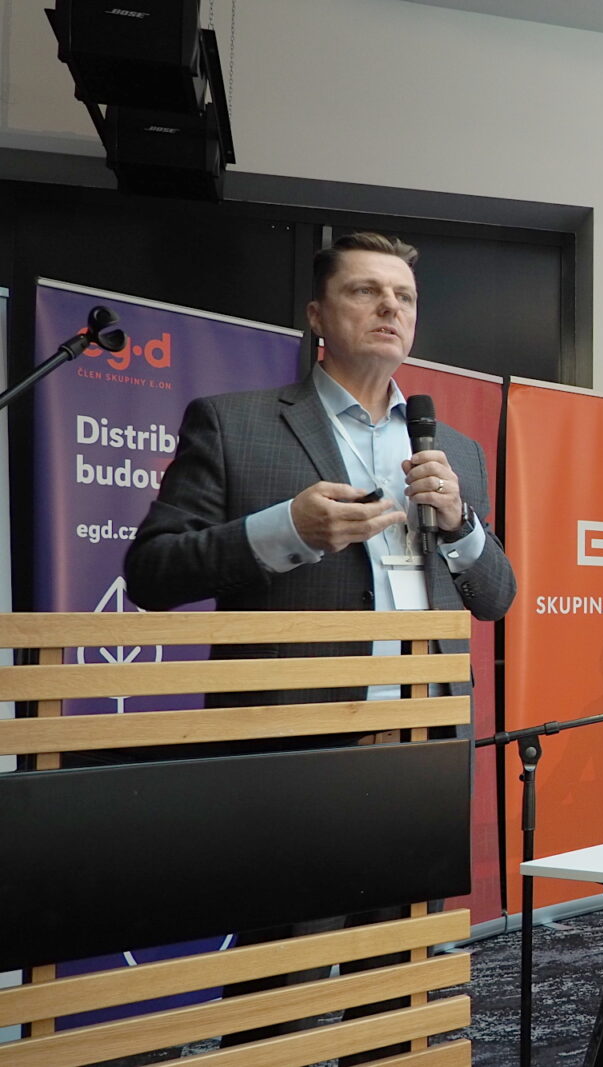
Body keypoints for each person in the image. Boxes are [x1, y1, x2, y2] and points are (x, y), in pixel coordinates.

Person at [123, 231, 516, 1060]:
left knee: (398, 990)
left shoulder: (454, 450)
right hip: (294, 753)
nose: (389, 308)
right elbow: (150, 570)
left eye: (404, 297)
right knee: (282, 991)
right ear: (316, 315)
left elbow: (496, 596)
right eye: (366, 291)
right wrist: (284, 530)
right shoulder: (235, 425)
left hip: (419, 753)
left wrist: (461, 521)